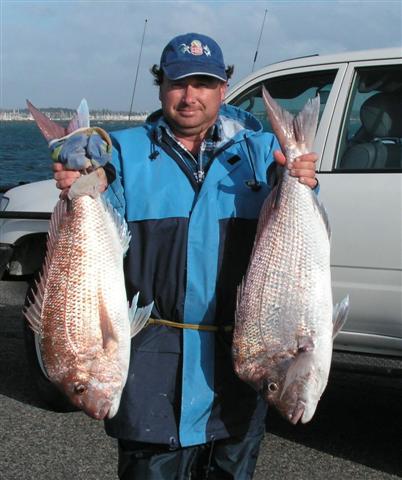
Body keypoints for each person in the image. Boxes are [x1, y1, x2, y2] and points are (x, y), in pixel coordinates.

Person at [53, 32, 318, 479]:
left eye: (203, 83)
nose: (189, 96)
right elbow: (89, 224)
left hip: (238, 373)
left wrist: (305, 182)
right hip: (150, 379)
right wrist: (76, 180)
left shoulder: (260, 151)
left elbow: (298, 233)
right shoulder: (123, 152)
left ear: (222, 88)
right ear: (161, 86)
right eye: (178, 82)